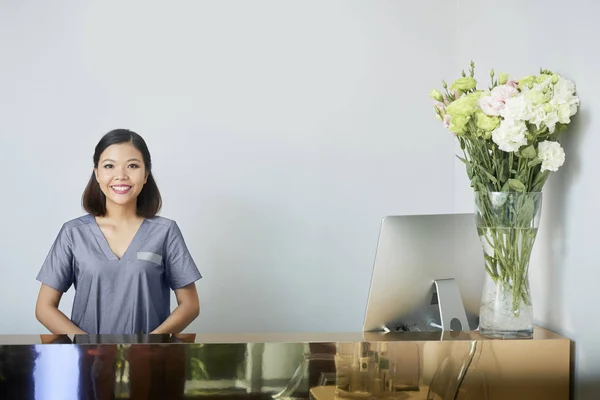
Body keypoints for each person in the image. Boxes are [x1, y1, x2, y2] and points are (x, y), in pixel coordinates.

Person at [35, 129, 202, 334]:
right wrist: (88, 347)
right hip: (89, 361)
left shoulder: (165, 232)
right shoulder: (73, 233)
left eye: (132, 165)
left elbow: (190, 305)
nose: (121, 176)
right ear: (97, 173)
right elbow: (44, 308)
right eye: (109, 166)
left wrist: (151, 344)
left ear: (146, 173)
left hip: (148, 361)